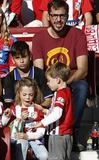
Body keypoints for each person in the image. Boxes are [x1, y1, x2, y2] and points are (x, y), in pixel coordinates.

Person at [32, 0, 89, 145]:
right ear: (48, 16)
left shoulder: (78, 34)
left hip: (70, 81)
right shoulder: (39, 37)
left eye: (62, 16)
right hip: (48, 83)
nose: (58, 20)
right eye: (54, 15)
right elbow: (39, 71)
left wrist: (63, 85)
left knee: (82, 86)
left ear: (67, 15)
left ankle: (72, 131)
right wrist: (53, 87)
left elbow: (83, 69)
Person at [34, 62, 91, 160]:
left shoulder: (60, 94)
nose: (47, 84)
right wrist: (44, 111)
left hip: (58, 135)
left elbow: (58, 113)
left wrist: (42, 122)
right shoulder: (66, 93)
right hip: (66, 134)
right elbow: (58, 112)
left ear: (57, 79)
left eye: (49, 81)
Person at [2, 41, 50, 106]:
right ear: (13, 60)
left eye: (24, 57)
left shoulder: (39, 74)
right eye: (17, 58)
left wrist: (37, 109)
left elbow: (48, 99)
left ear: (30, 56)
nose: (21, 61)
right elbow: (8, 103)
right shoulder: (9, 78)